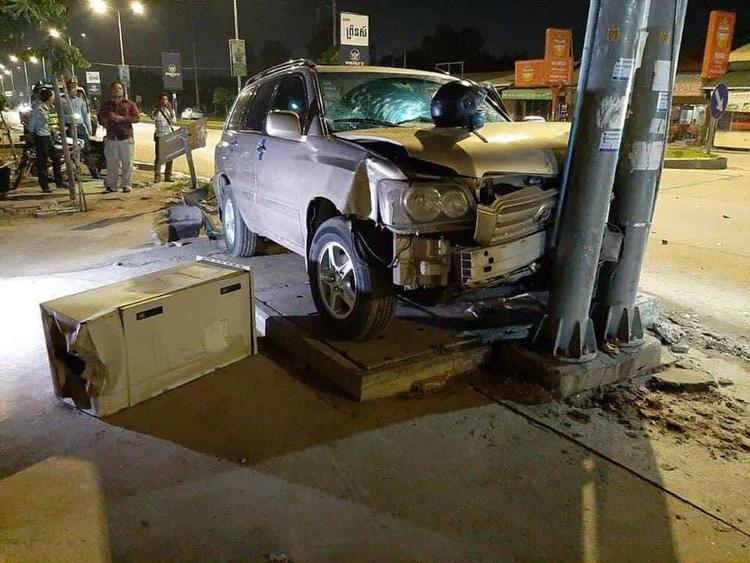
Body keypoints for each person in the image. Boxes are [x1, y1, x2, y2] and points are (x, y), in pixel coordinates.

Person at [97, 81, 140, 193]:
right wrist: (107, 119)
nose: (117, 91)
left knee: (127, 163)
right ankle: (112, 186)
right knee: (112, 164)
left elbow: (136, 118)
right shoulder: (107, 105)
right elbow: (100, 118)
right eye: (115, 89)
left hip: (126, 138)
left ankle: (126, 185)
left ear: (123, 90)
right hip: (111, 138)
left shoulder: (129, 104)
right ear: (111, 91)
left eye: (119, 88)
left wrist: (123, 118)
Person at [28, 88, 65, 193]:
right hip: (41, 138)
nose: (53, 98)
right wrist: (34, 132)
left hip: (48, 136)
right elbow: (31, 125)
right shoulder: (39, 110)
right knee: (42, 162)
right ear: (49, 97)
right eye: (52, 96)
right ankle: (44, 186)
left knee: (56, 159)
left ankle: (59, 182)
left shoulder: (48, 108)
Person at [63, 77, 101, 179]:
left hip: (80, 127)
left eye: (74, 88)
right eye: (71, 88)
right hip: (68, 128)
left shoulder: (80, 101)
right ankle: (72, 173)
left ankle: (95, 173)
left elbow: (85, 115)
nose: (73, 90)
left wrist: (89, 129)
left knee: (87, 150)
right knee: (71, 151)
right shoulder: (62, 101)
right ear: (67, 89)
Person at [151, 92, 175, 182]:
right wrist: (159, 108)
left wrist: (170, 108)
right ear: (159, 100)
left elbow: (174, 121)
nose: (165, 101)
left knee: (170, 156)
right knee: (159, 157)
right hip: (160, 136)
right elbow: (153, 117)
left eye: (166, 99)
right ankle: (157, 176)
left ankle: (168, 176)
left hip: (169, 135)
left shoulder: (169, 111)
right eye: (163, 99)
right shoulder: (155, 110)